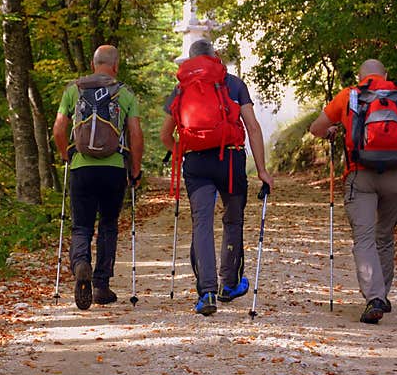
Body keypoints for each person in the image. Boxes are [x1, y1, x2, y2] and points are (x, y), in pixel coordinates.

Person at [309, 58, 397, 324]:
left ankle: (374, 297)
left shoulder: (349, 96)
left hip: (360, 175)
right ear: (385, 74)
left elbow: (316, 128)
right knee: (385, 237)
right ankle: (381, 295)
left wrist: (332, 130)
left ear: (360, 76)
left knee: (364, 239)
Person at [160, 39, 274, 316]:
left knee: (202, 223)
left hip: (197, 163)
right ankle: (230, 285)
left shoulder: (181, 87)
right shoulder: (234, 84)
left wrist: (183, 152)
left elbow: (165, 136)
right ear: (216, 56)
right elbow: (254, 128)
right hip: (231, 160)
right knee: (232, 219)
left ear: (189, 61)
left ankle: (207, 291)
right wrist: (262, 170)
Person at [52, 45, 144, 310]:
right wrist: (135, 170)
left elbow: (59, 128)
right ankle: (101, 285)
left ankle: (81, 263)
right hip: (113, 168)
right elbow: (136, 135)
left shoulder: (74, 90)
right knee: (108, 225)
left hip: (82, 168)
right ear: (115, 66)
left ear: (94, 65)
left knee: (81, 226)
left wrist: (66, 155)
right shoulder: (124, 93)